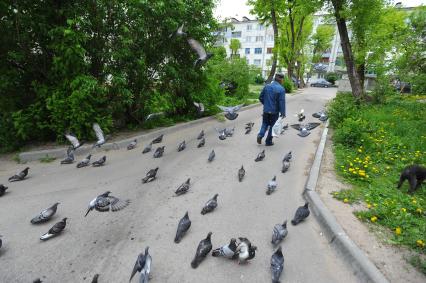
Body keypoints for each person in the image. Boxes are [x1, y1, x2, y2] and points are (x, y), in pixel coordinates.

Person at [257, 73, 286, 146]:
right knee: (272, 126)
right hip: (274, 112)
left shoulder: (267, 86)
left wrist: (266, 104)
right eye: (283, 80)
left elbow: (260, 97)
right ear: (281, 80)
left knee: (264, 123)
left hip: (266, 110)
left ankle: (260, 135)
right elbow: (281, 102)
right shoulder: (281, 89)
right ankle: (268, 141)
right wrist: (283, 113)